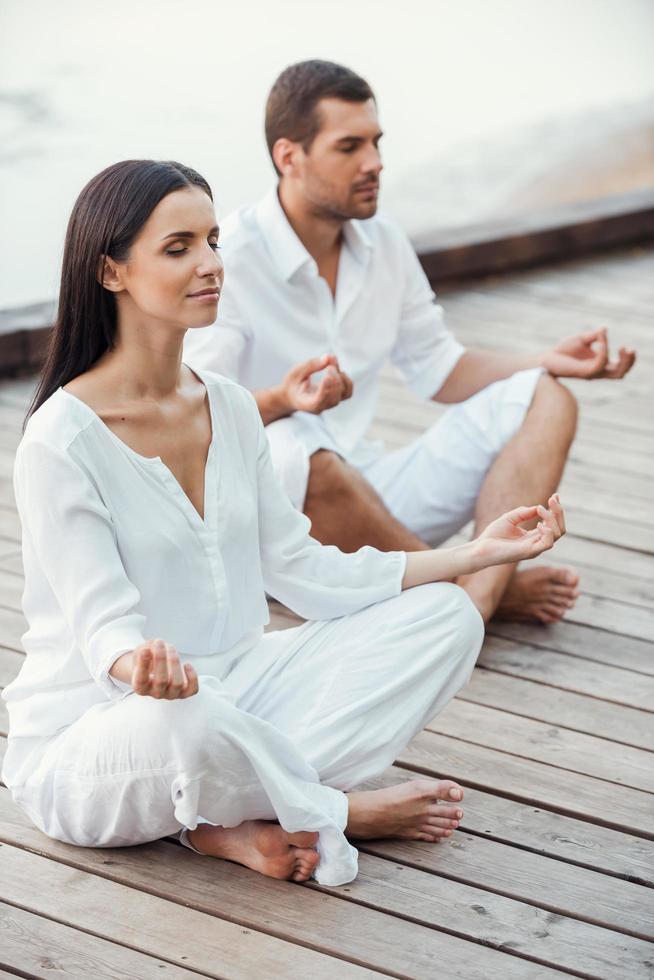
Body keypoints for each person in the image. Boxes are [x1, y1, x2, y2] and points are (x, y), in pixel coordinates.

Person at [2, 160, 566, 887]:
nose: (209, 264)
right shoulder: (61, 440)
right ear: (111, 272)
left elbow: (306, 570)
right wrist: (140, 667)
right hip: (104, 736)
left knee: (449, 620)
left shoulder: (232, 407)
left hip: (241, 690)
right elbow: (102, 628)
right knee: (193, 721)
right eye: (179, 248)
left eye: (212, 240)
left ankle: (221, 820)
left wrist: (476, 553)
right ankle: (332, 808)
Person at [184, 59, 636, 626]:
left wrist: (547, 360)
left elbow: (440, 369)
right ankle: (473, 593)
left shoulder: (384, 243)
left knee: (546, 396)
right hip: (271, 524)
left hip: (369, 495)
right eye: (349, 147)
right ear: (288, 157)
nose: (374, 162)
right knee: (295, 444)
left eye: (376, 142)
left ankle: (471, 601)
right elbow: (194, 418)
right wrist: (284, 400)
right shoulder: (232, 260)